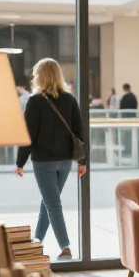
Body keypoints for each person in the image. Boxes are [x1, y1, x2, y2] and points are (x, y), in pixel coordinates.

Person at [15, 58, 85, 261]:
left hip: (43, 161)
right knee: (49, 201)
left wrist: (20, 162)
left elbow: (29, 134)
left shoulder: (36, 101)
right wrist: (82, 162)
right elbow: (79, 131)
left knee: (52, 202)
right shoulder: (70, 100)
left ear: (40, 76)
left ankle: (65, 246)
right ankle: (37, 240)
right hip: (64, 161)